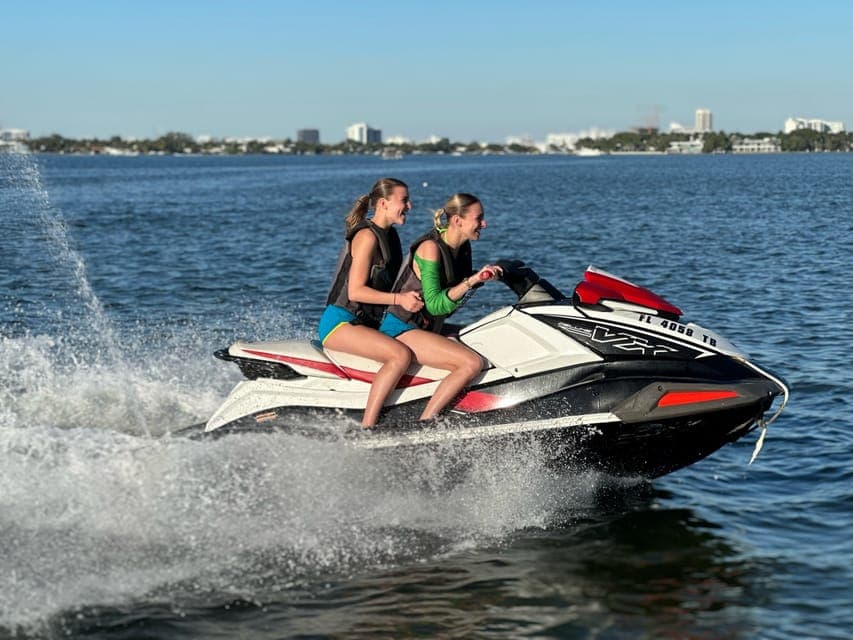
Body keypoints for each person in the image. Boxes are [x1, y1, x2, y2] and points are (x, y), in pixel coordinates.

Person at [379, 193, 502, 420]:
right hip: (401, 328)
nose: (484, 224)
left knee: (485, 336)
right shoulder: (430, 248)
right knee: (471, 363)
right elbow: (435, 305)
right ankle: (426, 421)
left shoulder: (462, 248)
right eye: (479, 218)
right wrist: (472, 281)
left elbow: (452, 300)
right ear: (457, 220)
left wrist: (485, 277)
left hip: (427, 328)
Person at [319, 178, 424, 427]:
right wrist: (400, 299)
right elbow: (355, 292)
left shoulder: (392, 237)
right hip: (341, 322)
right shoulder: (367, 236)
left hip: (367, 323)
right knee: (399, 355)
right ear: (383, 203)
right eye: (404, 200)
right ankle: (368, 426)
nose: (410, 206)